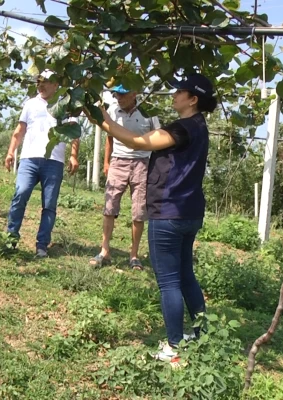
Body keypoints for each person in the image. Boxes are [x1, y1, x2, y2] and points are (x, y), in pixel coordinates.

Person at [90, 73, 218, 363]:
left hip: (169, 212)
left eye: (179, 92)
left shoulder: (182, 128)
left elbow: (137, 142)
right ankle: (200, 335)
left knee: (169, 281)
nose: (174, 95)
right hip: (190, 212)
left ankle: (173, 348)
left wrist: (102, 120)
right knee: (185, 274)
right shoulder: (200, 126)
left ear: (193, 99)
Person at [4, 70, 80, 258]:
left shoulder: (66, 105)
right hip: (29, 159)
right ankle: (11, 238)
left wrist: (73, 155)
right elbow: (20, 129)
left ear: (56, 85)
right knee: (20, 194)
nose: (41, 85)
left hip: (54, 161)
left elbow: (74, 133)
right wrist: (10, 151)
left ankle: (42, 245)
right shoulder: (30, 104)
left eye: (46, 82)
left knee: (49, 204)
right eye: (39, 82)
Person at [89, 85, 160, 270]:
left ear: (134, 93)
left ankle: (134, 255)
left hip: (142, 164)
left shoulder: (148, 112)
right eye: (116, 94)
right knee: (109, 206)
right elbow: (110, 136)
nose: (118, 97)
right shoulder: (112, 110)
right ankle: (105, 251)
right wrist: (107, 162)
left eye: (122, 94)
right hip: (118, 162)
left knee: (138, 212)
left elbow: (158, 137)